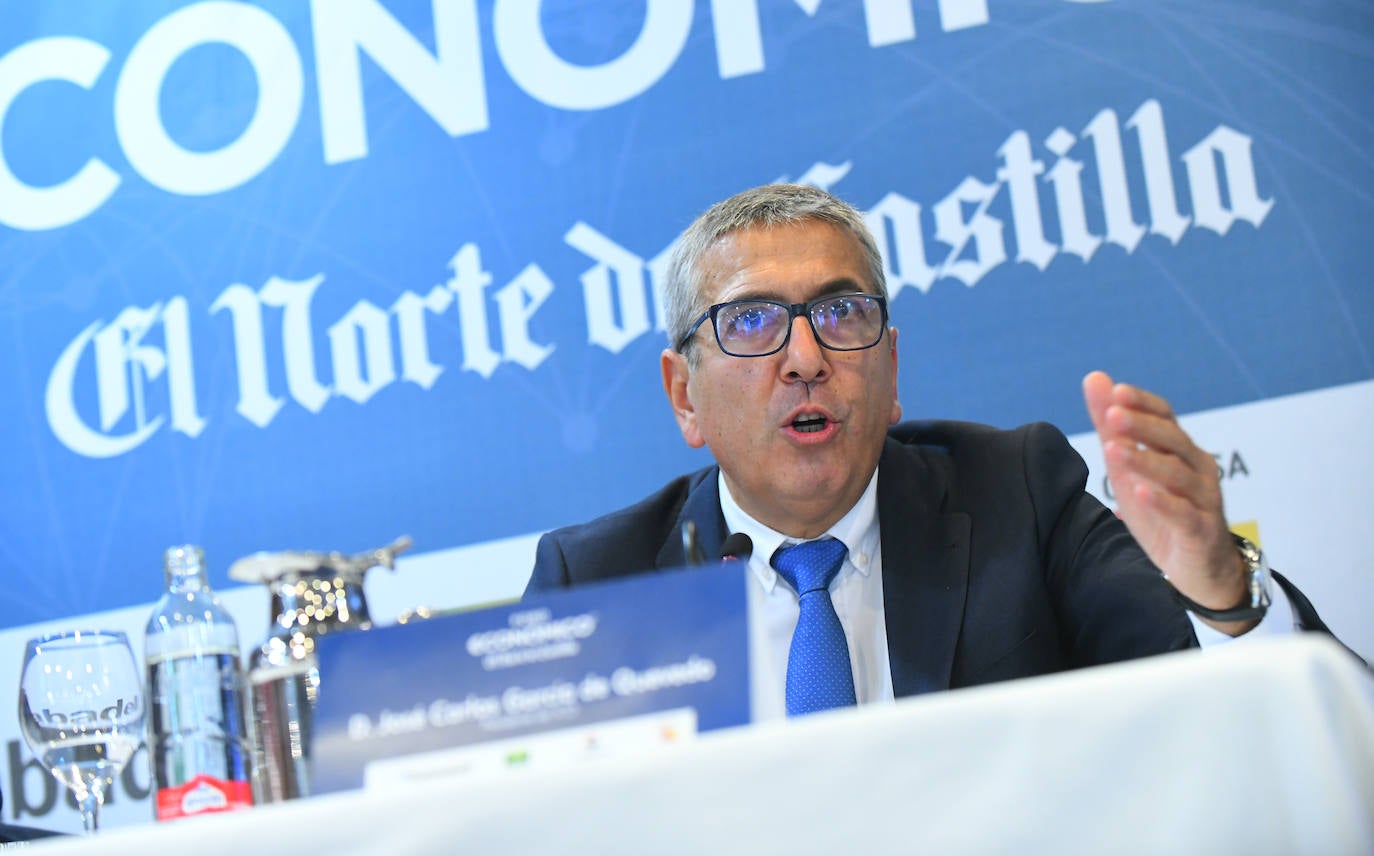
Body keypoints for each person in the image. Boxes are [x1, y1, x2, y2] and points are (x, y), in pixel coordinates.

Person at [525, 183, 1333, 719]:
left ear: (891, 367)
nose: (806, 358)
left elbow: (1222, 704)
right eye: (751, 322)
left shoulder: (1020, 494)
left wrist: (1223, 590)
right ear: (684, 395)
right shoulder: (597, 586)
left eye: (841, 313)